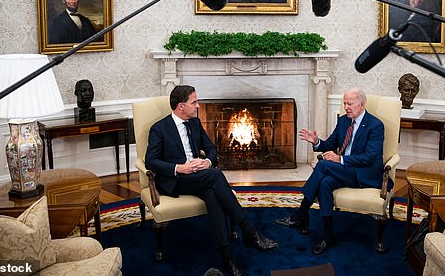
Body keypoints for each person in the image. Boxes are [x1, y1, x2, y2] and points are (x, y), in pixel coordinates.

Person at [145, 85, 277, 276]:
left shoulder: (195, 123)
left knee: (212, 194)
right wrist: (180, 168)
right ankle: (249, 231)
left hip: (200, 176)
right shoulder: (159, 128)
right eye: (194, 102)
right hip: (176, 179)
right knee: (215, 176)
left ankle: (227, 257)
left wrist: (206, 161)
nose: (198, 106)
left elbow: (211, 148)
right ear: (181, 106)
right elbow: (151, 160)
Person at [275, 88, 386, 255]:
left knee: (323, 165)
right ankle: (328, 236)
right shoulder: (343, 121)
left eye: (350, 104)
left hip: (363, 174)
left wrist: (339, 159)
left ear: (362, 104)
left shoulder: (375, 125)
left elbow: (369, 158)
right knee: (325, 183)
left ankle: (299, 214)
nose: (346, 107)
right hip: (344, 171)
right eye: (344, 103)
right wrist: (317, 142)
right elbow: (330, 144)